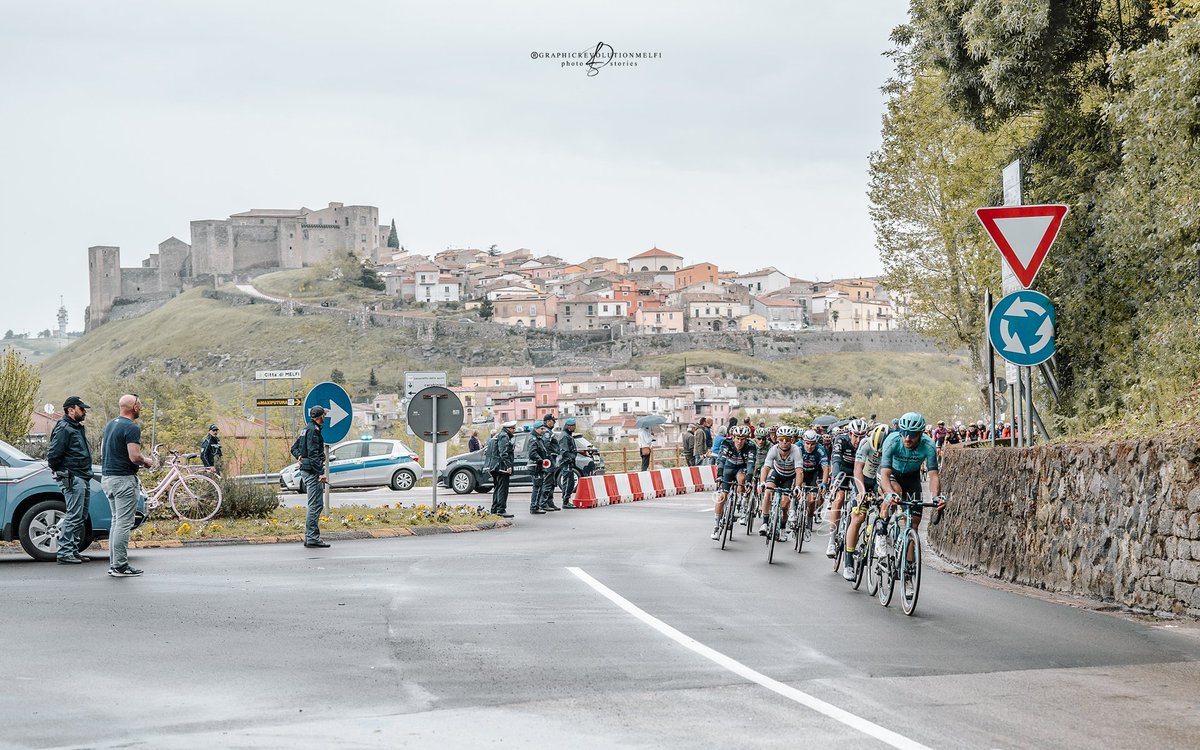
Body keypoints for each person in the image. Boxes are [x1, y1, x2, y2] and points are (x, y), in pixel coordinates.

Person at [876, 412, 945, 558]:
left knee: (914, 523)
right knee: (896, 492)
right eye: (904, 433)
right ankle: (881, 532)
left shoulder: (928, 445)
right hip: (891, 474)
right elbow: (885, 475)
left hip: (912, 478)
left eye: (912, 434)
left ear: (921, 433)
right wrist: (889, 493)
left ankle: (908, 569)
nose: (907, 438)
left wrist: (936, 497)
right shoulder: (892, 440)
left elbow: (933, 476)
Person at [100, 394, 154, 577]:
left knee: (116, 522)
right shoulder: (131, 427)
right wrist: (147, 461)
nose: (141, 408)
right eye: (140, 404)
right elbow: (134, 456)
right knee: (124, 523)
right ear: (135, 407)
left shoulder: (111, 424)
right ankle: (120, 566)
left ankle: (115, 564)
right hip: (123, 479)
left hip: (108, 478)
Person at [47, 395, 94, 564]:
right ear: (71, 410)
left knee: (80, 515)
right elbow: (53, 456)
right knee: (74, 515)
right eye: (82, 409)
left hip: (82, 475)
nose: (84, 412)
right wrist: (62, 473)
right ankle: (65, 552)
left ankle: (72, 550)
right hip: (73, 477)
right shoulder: (64, 428)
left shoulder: (75, 427)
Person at [841, 424, 889, 579]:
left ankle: (877, 531)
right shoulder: (865, 443)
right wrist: (861, 492)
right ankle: (848, 562)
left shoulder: (891, 446)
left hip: (879, 480)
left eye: (880, 451)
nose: (878, 453)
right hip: (863, 479)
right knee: (858, 517)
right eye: (876, 450)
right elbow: (857, 470)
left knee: (884, 503)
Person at [826, 418, 868, 558]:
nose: (858, 440)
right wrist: (835, 479)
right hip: (843, 468)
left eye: (862, 436)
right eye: (855, 436)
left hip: (859, 471)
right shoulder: (840, 439)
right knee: (839, 498)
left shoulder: (867, 443)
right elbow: (836, 460)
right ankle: (831, 541)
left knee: (860, 503)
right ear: (849, 434)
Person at [710, 425, 756, 540]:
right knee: (721, 497)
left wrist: (749, 480)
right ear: (733, 437)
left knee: (741, 479)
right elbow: (721, 459)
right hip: (728, 468)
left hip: (742, 468)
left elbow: (750, 464)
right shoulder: (727, 443)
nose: (739, 441)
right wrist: (719, 475)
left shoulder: (751, 446)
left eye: (742, 439)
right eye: (737, 438)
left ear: (746, 439)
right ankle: (716, 526)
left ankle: (741, 503)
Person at [758, 425, 801, 539]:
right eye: (781, 439)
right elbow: (766, 467)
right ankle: (765, 523)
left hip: (789, 477)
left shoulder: (796, 450)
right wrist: (762, 482)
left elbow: (799, 471)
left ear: (792, 440)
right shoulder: (773, 449)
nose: (784, 442)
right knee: (767, 493)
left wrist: (797, 486)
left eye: (787, 439)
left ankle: (782, 528)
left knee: (785, 504)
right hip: (776, 473)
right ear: (777, 439)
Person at [295, 405, 329, 548]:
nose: (325, 417)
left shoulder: (305, 429)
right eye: (324, 415)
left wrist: (299, 456)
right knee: (315, 505)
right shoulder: (313, 431)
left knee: (316, 504)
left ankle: (310, 537)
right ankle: (312, 538)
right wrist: (321, 472)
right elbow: (314, 454)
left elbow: (294, 448)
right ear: (320, 416)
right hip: (312, 472)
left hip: (307, 469)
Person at [796, 428, 831, 531]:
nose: (809, 446)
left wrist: (824, 483)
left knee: (811, 501)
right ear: (803, 442)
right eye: (807, 443)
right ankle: (793, 510)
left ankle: (810, 517)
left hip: (813, 473)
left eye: (812, 444)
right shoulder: (797, 446)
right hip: (800, 471)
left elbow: (825, 468)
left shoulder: (820, 449)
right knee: (794, 491)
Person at [489, 422, 516, 517]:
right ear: (509, 429)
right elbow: (503, 453)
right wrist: (508, 466)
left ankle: (495, 509)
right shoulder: (504, 436)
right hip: (501, 467)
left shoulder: (499, 435)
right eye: (513, 428)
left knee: (497, 488)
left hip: (496, 466)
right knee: (502, 489)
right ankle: (501, 510)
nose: (514, 430)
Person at [528, 422, 554, 515]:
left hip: (539, 466)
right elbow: (532, 453)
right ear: (536, 429)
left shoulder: (538, 438)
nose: (543, 431)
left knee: (539, 486)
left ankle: (536, 506)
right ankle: (534, 507)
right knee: (537, 487)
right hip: (535, 466)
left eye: (543, 429)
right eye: (541, 429)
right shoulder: (533, 439)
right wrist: (541, 460)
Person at [538, 414, 561, 511]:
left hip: (552, 459)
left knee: (552, 482)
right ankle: (543, 503)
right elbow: (546, 446)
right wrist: (548, 459)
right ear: (548, 421)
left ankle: (550, 502)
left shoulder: (548, 431)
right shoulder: (546, 432)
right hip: (549, 459)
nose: (554, 423)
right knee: (547, 482)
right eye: (553, 421)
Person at [557, 418, 579, 508]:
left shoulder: (568, 435)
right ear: (569, 426)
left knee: (570, 482)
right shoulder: (564, 436)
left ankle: (566, 500)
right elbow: (564, 451)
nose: (575, 427)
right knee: (568, 482)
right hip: (566, 462)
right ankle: (565, 502)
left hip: (569, 462)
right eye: (573, 426)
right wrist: (571, 457)